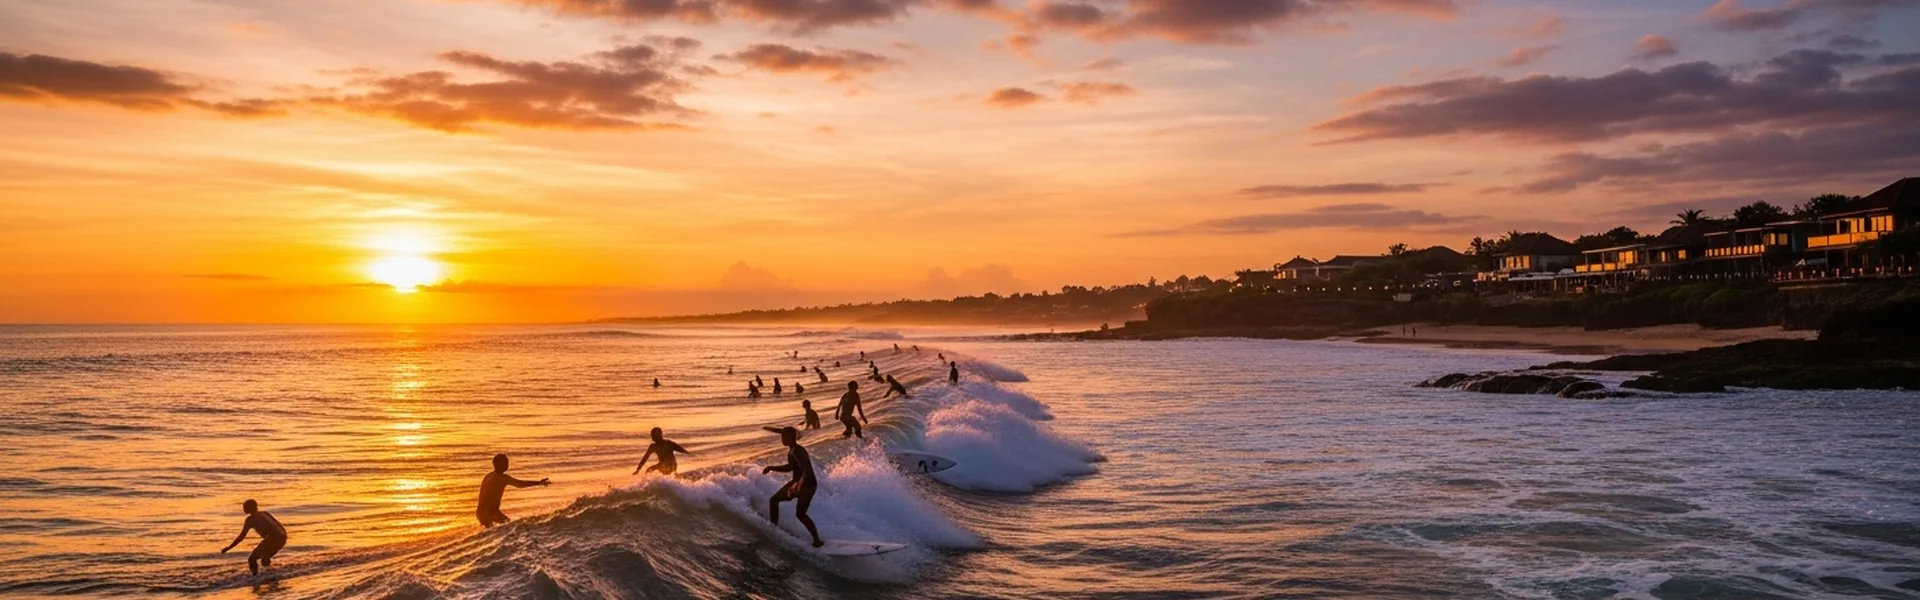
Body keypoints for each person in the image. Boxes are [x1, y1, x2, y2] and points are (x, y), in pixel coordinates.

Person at [760, 426, 823, 547]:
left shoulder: (796, 452)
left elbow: (806, 469)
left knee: (776, 501)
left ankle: (772, 530)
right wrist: (772, 467)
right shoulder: (794, 449)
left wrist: (798, 485)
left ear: (789, 438)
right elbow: (790, 468)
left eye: (783, 437)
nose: (781, 439)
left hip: (805, 485)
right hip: (808, 484)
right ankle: (817, 540)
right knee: (798, 513)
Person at [477, 454, 549, 528]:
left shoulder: (488, 475)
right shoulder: (503, 478)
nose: (507, 464)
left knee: (495, 530)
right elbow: (520, 484)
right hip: (490, 512)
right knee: (509, 527)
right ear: (500, 464)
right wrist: (538, 483)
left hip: (480, 511)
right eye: (506, 462)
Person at [220, 499, 287, 576]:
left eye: (244, 507)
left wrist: (229, 547)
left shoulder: (250, 520)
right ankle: (271, 576)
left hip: (273, 538)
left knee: (252, 559)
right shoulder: (265, 513)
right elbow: (278, 526)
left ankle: (255, 577)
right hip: (282, 537)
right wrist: (283, 537)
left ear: (250, 508)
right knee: (264, 559)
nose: (243, 509)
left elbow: (242, 536)